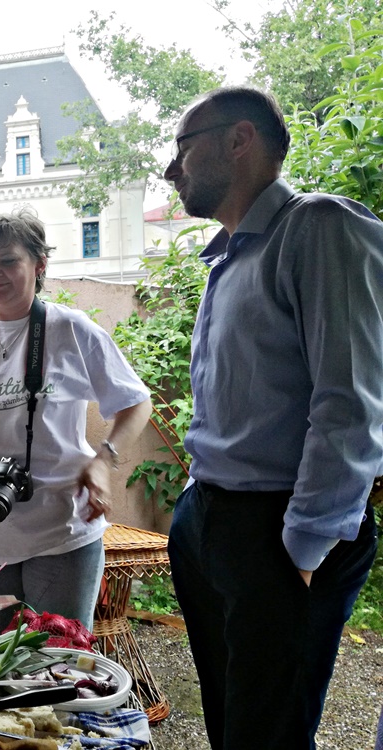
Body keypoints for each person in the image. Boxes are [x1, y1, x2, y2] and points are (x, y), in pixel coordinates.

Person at [163, 86, 382, 749]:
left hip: (279, 534)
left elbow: (350, 401)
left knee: (270, 735)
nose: (172, 170)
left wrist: (304, 551)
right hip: (214, 519)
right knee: (234, 726)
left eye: (182, 148)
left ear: (240, 140)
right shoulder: (227, 257)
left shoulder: (318, 228)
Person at [0, 208, 151, 629]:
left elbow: (136, 403)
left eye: (8, 261)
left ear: (39, 264)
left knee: (56, 664)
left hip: (60, 532)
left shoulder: (73, 330)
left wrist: (103, 460)